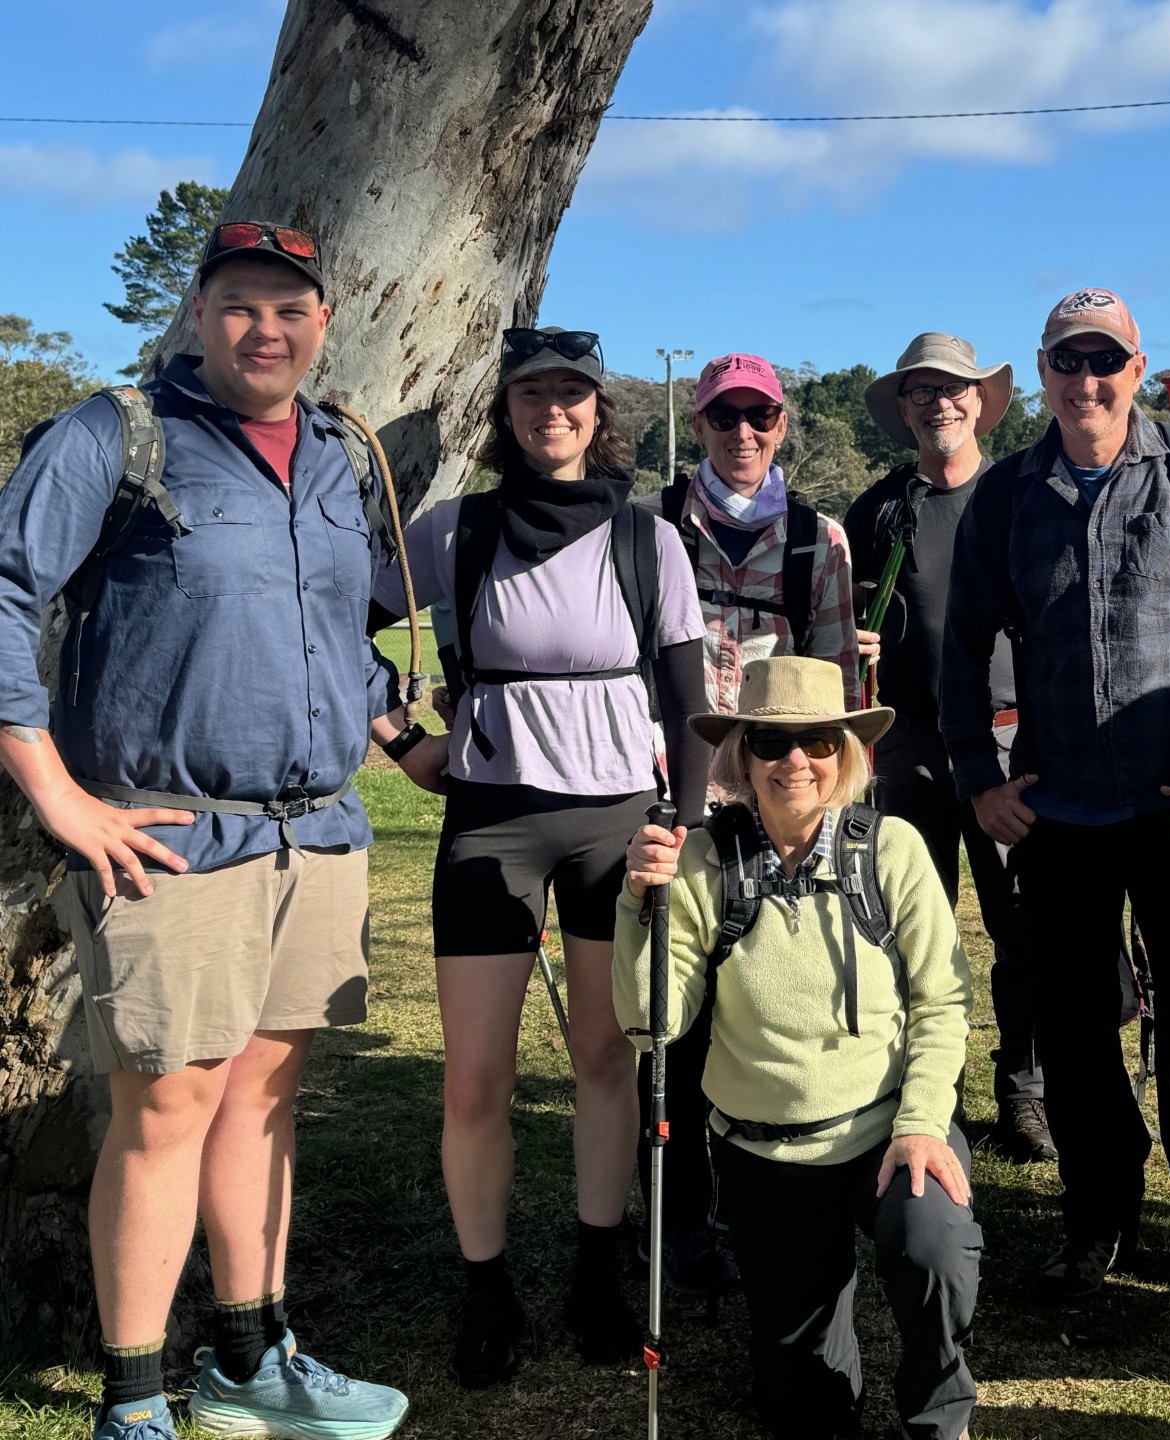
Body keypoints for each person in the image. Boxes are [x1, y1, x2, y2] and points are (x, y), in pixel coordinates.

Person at [0, 222, 411, 1440]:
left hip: (317, 835)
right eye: (238, 305)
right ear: (196, 312)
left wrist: (398, 733)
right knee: (166, 1107)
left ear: (325, 322)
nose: (265, 329)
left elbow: (334, 632)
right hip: (173, 837)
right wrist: (55, 793)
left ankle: (249, 1359)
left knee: (266, 1102)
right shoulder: (114, 436)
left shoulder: (343, 455)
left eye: (289, 309)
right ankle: (132, 1402)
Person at [365, 326, 709, 1385]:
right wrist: (403, 739)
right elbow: (330, 623)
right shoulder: (455, 531)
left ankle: (596, 1269)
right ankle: (487, 1289)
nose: (551, 410)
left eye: (573, 393)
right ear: (505, 410)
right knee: (476, 1079)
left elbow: (693, 700)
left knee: (608, 1059)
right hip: (492, 821)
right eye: (531, 393)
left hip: (616, 822)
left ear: (601, 413)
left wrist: (679, 825)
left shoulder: (649, 539)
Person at [942, 286, 1170, 1306]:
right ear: (1040, 374)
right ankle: (1098, 1219)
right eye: (1065, 362)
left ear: (1138, 368)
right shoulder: (1005, 495)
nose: (1085, 382)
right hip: (1060, 815)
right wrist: (980, 781)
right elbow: (967, 650)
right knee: (1078, 1033)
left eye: (1105, 361)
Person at [617, 656, 978, 1440]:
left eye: (816, 740)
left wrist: (921, 1122)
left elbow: (943, 1001)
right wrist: (638, 907)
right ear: (741, 755)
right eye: (772, 742)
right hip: (762, 1152)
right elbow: (653, 1025)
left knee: (935, 1247)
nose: (795, 763)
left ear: (844, 750)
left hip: (888, 1129)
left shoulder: (893, 850)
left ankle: (938, 1418)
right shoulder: (705, 861)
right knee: (801, 1403)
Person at [634, 351, 860, 1292]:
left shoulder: (822, 541)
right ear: (700, 418)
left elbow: (840, 685)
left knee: (778, 997)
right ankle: (680, 1216)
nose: (741, 435)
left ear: (781, 423)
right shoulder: (645, 528)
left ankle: (783, 1193)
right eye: (724, 417)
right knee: (675, 1015)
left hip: (783, 805)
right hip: (675, 795)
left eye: (758, 417)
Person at [848, 331, 1053, 1163]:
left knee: (1022, 928)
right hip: (905, 744)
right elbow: (841, 622)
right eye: (921, 390)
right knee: (909, 928)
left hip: (1005, 745)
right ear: (903, 408)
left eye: (953, 388)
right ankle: (930, 1094)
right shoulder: (877, 511)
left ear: (981, 401)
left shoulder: (1018, 498)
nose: (939, 402)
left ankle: (1026, 1093)